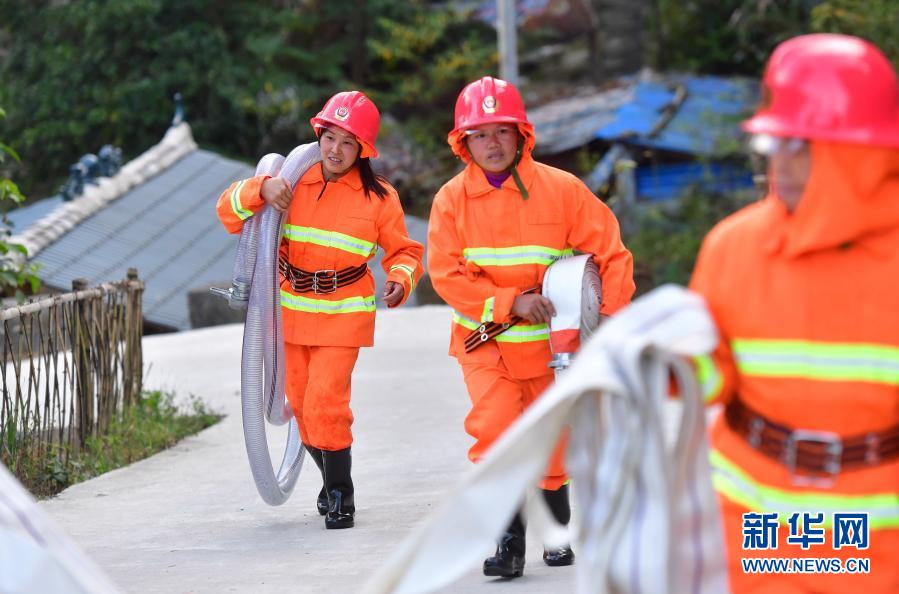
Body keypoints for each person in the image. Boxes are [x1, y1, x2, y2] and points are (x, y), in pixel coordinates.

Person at [689, 34, 899, 593]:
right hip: (760, 522)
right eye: (772, 145)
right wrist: (658, 365)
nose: (776, 162)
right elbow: (710, 376)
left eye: (794, 145)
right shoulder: (733, 247)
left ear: (857, 153)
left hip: (881, 538)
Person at [427, 76, 635, 578]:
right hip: (487, 346)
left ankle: (558, 531)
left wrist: (605, 323)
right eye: (480, 134)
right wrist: (509, 303)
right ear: (464, 143)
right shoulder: (450, 202)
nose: (492, 144)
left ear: (522, 135)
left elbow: (612, 255)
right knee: (496, 434)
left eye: (502, 131)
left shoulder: (562, 191)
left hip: (554, 348)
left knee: (554, 442)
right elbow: (446, 275)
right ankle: (508, 545)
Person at [216, 91, 424, 530]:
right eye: (329, 137)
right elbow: (228, 213)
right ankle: (330, 480)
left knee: (327, 403)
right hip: (289, 314)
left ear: (363, 151)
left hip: (343, 314)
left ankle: (340, 496)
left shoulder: (380, 198)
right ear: (319, 136)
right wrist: (259, 189)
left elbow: (406, 250)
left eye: (347, 142)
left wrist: (401, 278)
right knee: (303, 408)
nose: (335, 149)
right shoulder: (290, 182)